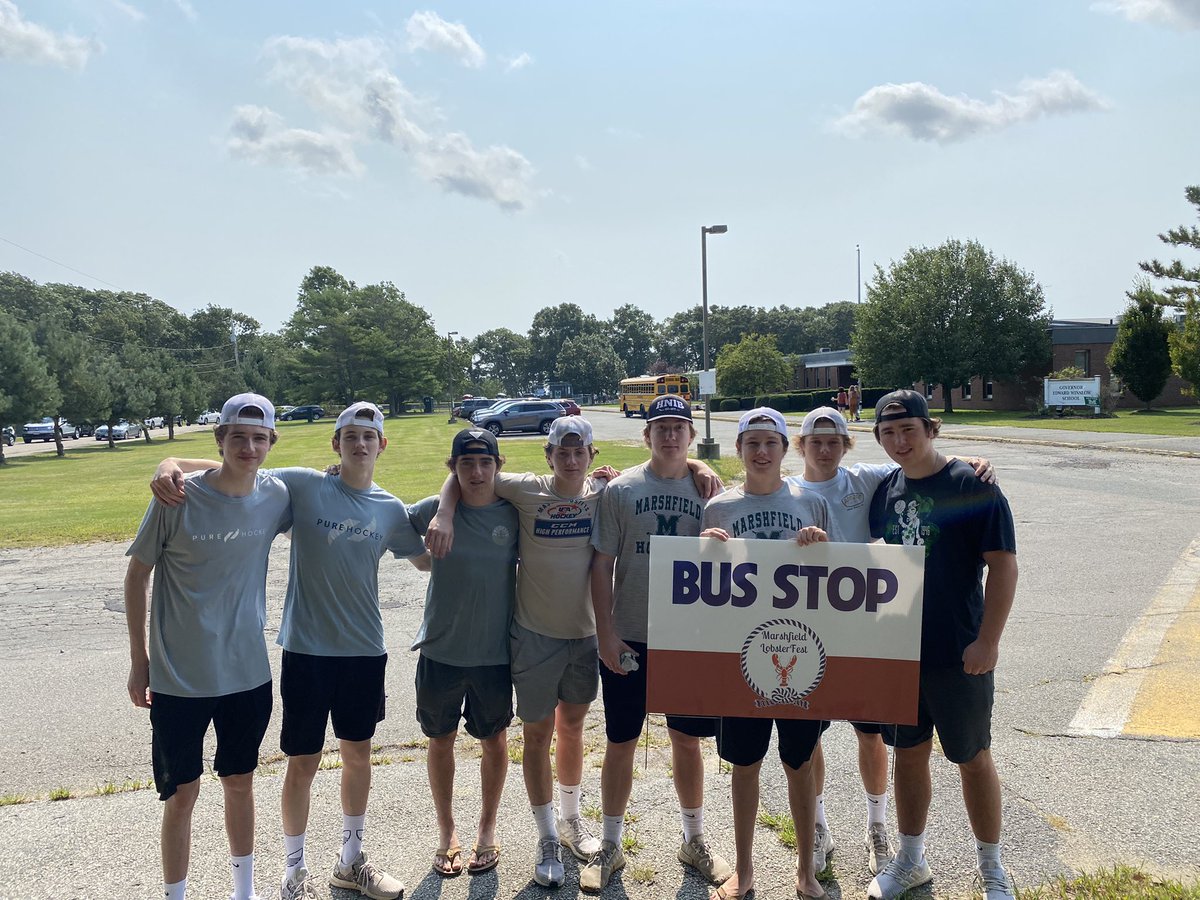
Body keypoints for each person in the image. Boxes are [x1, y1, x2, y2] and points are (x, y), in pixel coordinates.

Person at [150, 401, 422, 900]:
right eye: (349, 435)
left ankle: (351, 860)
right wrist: (171, 464)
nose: (359, 443)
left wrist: (446, 507)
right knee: (303, 761)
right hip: (306, 650)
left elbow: (427, 560)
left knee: (358, 756)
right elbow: (234, 466)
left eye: (368, 435)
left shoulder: (391, 509)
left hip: (365, 650)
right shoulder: (302, 485)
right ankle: (294, 872)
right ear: (334, 444)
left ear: (382, 444)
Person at [788, 407, 995, 879]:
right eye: (816, 442)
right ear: (801, 446)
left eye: (835, 441)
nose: (825, 450)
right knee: (810, 736)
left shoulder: (868, 480)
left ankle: (878, 826)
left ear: (846, 445)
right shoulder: (786, 490)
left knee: (874, 735)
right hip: (810, 633)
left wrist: (970, 460)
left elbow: (922, 459)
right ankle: (818, 826)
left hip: (870, 633)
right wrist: (698, 468)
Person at [425, 415, 608, 888]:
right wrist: (444, 513)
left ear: (592, 456)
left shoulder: (606, 494)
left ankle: (570, 820)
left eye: (579, 452)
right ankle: (546, 835)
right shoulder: (526, 489)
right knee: (536, 733)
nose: (570, 460)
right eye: (561, 452)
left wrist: (695, 462)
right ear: (548, 456)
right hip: (532, 635)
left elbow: (657, 471)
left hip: (584, 636)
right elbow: (465, 471)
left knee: (572, 728)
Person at [125, 393, 291, 900]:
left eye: (258, 437)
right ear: (219, 439)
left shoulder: (277, 494)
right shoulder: (177, 498)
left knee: (240, 782)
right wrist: (139, 662)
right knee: (181, 795)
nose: (248, 446)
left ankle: (245, 891)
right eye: (236, 436)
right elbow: (136, 577)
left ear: (269, 444)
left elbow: (333, 483)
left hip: (247, 675)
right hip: (179, 678)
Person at [866, 390, 1018, 900]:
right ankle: (911, 861)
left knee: (972, 757)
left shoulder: (972, 484)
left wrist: (988, 641)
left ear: (931, 429)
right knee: (908, 755)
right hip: (901, 651)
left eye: (908, 429)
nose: (899, 441)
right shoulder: (884, 490)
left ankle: (992, 867)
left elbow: (1003, 565)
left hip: (959, 650)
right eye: (888, 433)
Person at [585, 395, 733, 893]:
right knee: (621, 740)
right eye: (660, 427)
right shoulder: (621, 490)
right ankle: (610, 844)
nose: (669, 435)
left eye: (678, 427)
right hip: (631, 633)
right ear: (646, 435)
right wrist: (605, 632)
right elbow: (601, 564)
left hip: (687, 638)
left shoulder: (711, 492)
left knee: (687, 741)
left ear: (691, 436)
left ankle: (693, 839)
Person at [699, 408, 833, 900]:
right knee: (745, 765)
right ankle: (745, 870)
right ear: (738, 449)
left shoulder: (810, 501)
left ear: (783, 449)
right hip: (742, 656)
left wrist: (821, 547)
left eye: (770, 443)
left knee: (799, 764)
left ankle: (805, 871)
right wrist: (702, 549)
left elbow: (837, 574)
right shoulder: (719, 509)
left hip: (798, 650)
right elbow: (701, 584)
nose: (761, 452)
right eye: (751, 442)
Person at [406, 428, 519, 879]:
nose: (476, 472)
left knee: (494, 739)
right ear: (452, 469)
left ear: (497, 465)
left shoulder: (513, 512)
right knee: (441, 739)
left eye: (485, 463)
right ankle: (446, 831)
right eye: (466, 464)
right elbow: (387, 519)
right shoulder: (431, 511)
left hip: (494, 654)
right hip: (441, 648)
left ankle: (487, 829)